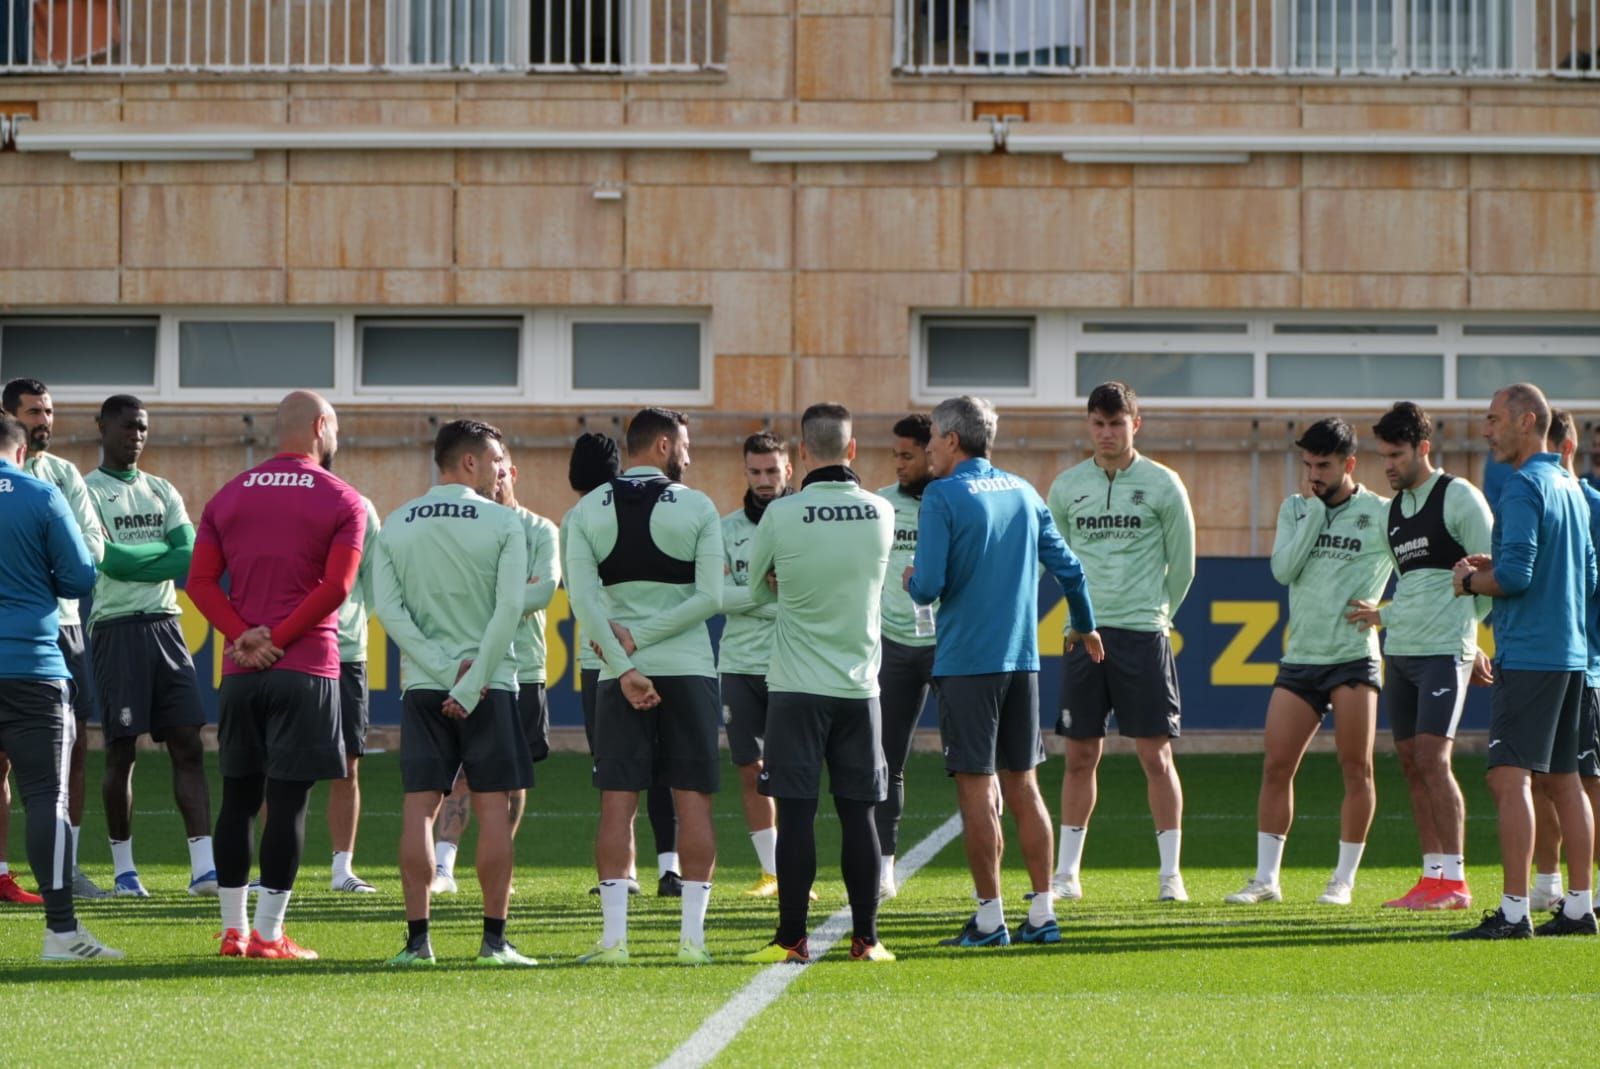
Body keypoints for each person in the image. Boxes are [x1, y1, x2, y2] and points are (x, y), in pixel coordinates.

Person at [908, 395, 1101, 947]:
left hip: (969, 663)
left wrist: (910, 581)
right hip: (1022, 661)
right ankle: (1042, 913)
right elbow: (1070, 569)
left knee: (975, 790)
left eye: (932, 440)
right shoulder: (1023, 490)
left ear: (950, 438)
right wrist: (1084, 625)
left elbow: (929, 585)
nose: (927, 450)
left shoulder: (942, 495)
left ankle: (990, 920)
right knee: (1024, 786)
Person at [187, 390, 365, 961]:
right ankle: (268, 935)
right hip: (306, 667)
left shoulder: (228, 495)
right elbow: (336, 588)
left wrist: (244, 636)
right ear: (320, 426)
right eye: (334, 427)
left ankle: (233, 932)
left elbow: (200, 585)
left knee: (238, 798)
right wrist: (280, 639)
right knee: (287, 804)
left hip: (240, 671)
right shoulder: (343, 498)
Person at [565, 407, 724, 965]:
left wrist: (624, 661)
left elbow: (584, 604)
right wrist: (645, 640)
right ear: (661, 446)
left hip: (615, 674)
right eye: (684, 445)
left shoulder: (584, 510)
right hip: (690, 669)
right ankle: (693, 945)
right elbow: (711, 598)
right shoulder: (699, 506)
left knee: (617, 803)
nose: (688, 455)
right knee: (693, 801)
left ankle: (614, 944)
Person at [374, 419, 535, 966]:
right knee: (493, 810)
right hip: (488, 683)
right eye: (494, 462)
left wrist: (442, 669)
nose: (500, 473)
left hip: (423, 684)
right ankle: (494, 943)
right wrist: (468, 680)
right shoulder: (502, 523)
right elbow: (510, 609)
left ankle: (417, 944)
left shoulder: (395, 523)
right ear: (469, 462)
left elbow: (390, 613)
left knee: (419, 811)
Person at [743, 403, 896, 964]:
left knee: (797, 814)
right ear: (852, 450)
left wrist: (782, 587)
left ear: (802, 453)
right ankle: (867, 940)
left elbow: (756, 587)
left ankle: (792, 939)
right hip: (860, 689)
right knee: (859, 814)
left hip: (795, 688)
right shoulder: (882, 512)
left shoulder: (780, 516)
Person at [1225, 418, 1392, 907]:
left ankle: (1342, 880)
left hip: (1353, 660)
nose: (1314, 474)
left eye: (1324, 465)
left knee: (1356, 768)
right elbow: (1282, 570)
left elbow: (1419, 574)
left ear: (1349, 464)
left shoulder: (1381, 514)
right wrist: (1317, 513)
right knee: (1276, 767)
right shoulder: (1296, 509)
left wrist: (1388, 612)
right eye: (1308, 464)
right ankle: (1266, 880)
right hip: (1301, 660)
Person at [1450, 384, 1596, 939]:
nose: (1486, 430)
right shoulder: (1569, 486)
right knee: (1567, 781)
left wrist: (1470, 580)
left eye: (1493, 419)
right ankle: (1579, 906)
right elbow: (1584, 574)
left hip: (1531, 654)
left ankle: (1514, 913)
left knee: (1509, 780)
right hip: (1573, 654)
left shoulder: (1519, 486)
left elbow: (1514, 578)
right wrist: (1500, 565)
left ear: (1526, 420)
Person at [1047, 382, 1195, 902]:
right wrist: (1079, 617)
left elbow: (1184, 565)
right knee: (1080, 755)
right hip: (1084, 636)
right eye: (1098, 423)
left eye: (1117, 423)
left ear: (1137, 423)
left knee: (1156, 757)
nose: (1107, 433)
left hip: (1143, 635)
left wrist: (1156, 617)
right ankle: (1066, 875)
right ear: (1088, 425)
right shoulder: (1066, 487)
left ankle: (1170, 875)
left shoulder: (1163, 484)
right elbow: (1060, 563)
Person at [1346, 402, 1492, 911]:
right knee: (1410, 763)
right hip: (1402, 654)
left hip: (1442, 654)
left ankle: (1455, 882)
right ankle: (1432, 877)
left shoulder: (1459, 498)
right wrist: (1383, 617)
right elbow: (1415, 589)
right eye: (1382, 455)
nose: (1387, 465)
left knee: (1434, 758)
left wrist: (1471, 642)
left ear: (1422, 449)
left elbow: (1494, 575)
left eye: (1396, 454)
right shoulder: (1394, 513)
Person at [0, 412, 123, 960]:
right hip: (31, 666)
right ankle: (61, 933)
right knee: (46, 799)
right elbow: (78, 577)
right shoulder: (43, 495)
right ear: (21, 451)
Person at [83, 396, 216, 898]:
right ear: (102, 427)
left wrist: (145, 557)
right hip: (116, 628)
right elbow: (108, 562)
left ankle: (204, 869)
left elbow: (190, 554)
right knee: (121, 752)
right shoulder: (87, 491)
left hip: (167, 626)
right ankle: (124, 871)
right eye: (127, 426)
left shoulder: (161, 488)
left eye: (142, 428)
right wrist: (160, 553)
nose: (136, 435)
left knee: (187, 743)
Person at [427, 450, 560, 896]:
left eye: (502, 472)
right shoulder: (467, 527)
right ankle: (444, 866)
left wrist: (494, 601)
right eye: (490, 471)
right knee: (463, 771)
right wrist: (504, 597)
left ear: (512, 473)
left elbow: (543, 590)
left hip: (523, 666)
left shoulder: (540, 529)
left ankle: (497, 861)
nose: (495, 480)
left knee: (515, 777)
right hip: (468, 663)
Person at [551, 433, 674, 899]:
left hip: (599, 658)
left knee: (615, 773)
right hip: (651, 647)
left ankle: (622, 874)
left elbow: (581, 595)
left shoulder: (576, 518)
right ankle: (670, 868)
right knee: (664, 767)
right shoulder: (636, 507)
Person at [1527, 409, 1600, 920]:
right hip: (1554, 659)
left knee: (1584, 781)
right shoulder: (1546, 496)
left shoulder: (1588, 503)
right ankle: (1548, 882)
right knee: (1540, 777)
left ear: (1565, 448)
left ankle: (1586, 891)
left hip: (1585, 662)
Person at [718, 430, 791, 898]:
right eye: (755, 471)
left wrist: (756, 598)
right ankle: (771, 873)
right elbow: (718, 597)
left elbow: (808, 597)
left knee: (789, 770)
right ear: (745, 472)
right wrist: (771, 594)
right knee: (750, 768)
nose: (764, 480)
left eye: (772, 471)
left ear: (789, 470)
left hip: (792, 663)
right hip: (740, 664)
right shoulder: (725, 530)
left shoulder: (804, 521)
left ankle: (796, 870)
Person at [875, 414, 938, 901]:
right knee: (887, 759)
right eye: (895, 455)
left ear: (932, 453)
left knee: (977, 762)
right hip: (893, 646)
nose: (898, 464)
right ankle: (884, 865)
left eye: (907, 455)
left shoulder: (953, 502)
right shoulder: (879, 507)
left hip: (951, 645)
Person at [329, 490, 382, 894]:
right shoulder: (283, 498)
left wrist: (351, 624)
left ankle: (342, 869)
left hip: (346, 652)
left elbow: (375, 580)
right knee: (278, 763)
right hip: (290, 650)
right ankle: (273, 866)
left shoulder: (360, 507)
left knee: (347, 764)